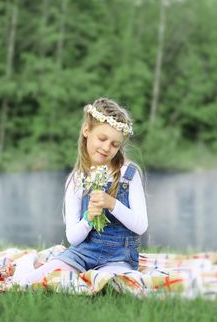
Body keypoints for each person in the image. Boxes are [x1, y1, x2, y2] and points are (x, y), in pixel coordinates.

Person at [12, 98, 148, 286]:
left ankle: (90, 273)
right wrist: (89, 219)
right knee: (25, 283)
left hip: (118, 257)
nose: (107, 147)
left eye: (115, 144)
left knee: (111, 284)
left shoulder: (128, 174)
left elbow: (141, 226)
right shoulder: (76, 180)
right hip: (82, 253)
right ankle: (27, 262)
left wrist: (112, 204)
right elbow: (73, 238)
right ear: (86, 131)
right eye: (102, 139)